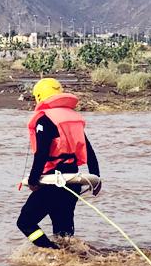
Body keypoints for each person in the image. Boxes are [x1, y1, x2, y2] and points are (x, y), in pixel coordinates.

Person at [17, 78, 102, 249]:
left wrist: (33, 181)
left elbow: (41, 154)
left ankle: (51, 252)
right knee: (63, 232)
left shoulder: (45, 120)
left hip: (54, 183)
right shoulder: (71, 119)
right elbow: (89, 151)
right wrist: (96, 178)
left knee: (26, 222)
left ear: (39, 97)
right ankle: (67, 262)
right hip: (73, 182)